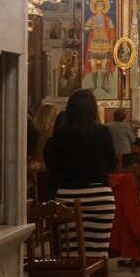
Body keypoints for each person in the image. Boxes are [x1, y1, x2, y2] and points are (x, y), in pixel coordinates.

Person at [43, 89, 116, 256]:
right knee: (98, 252)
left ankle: (75, 275)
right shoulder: (102, 132)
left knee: (71, 253)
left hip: (67, 198)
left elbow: (53, 165)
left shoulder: (59, 134)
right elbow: (111, 162)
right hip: (99, 198)